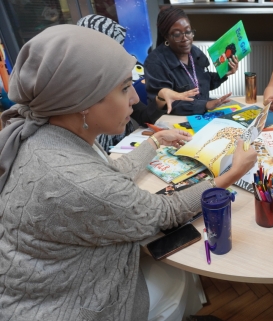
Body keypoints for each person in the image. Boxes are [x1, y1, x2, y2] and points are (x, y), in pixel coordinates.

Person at [0, 25, 257, 321]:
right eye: (124, 88)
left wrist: (155, 140)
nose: (135, 100)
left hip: (37, 283)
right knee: (177, 273)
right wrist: (232, 173)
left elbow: (111, 172)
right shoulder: (77, 180)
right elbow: (166, 212)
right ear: (82, 102)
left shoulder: (48, 132)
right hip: (68, 303)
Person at [77, 14, 199, 152]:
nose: (133, 98)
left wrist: (161, 97)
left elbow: (143, 116)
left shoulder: (118, 76)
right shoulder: (80, 97)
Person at [144, 6, 239, 117]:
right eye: (177, 34)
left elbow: (202, 83)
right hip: (174, 121)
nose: (185, 38)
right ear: (166, 37)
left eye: (188, 31)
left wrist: (223, 73)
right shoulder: (155, 63)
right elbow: (168, 103)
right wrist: (205, 105)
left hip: (200, 115)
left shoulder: (195, 53)